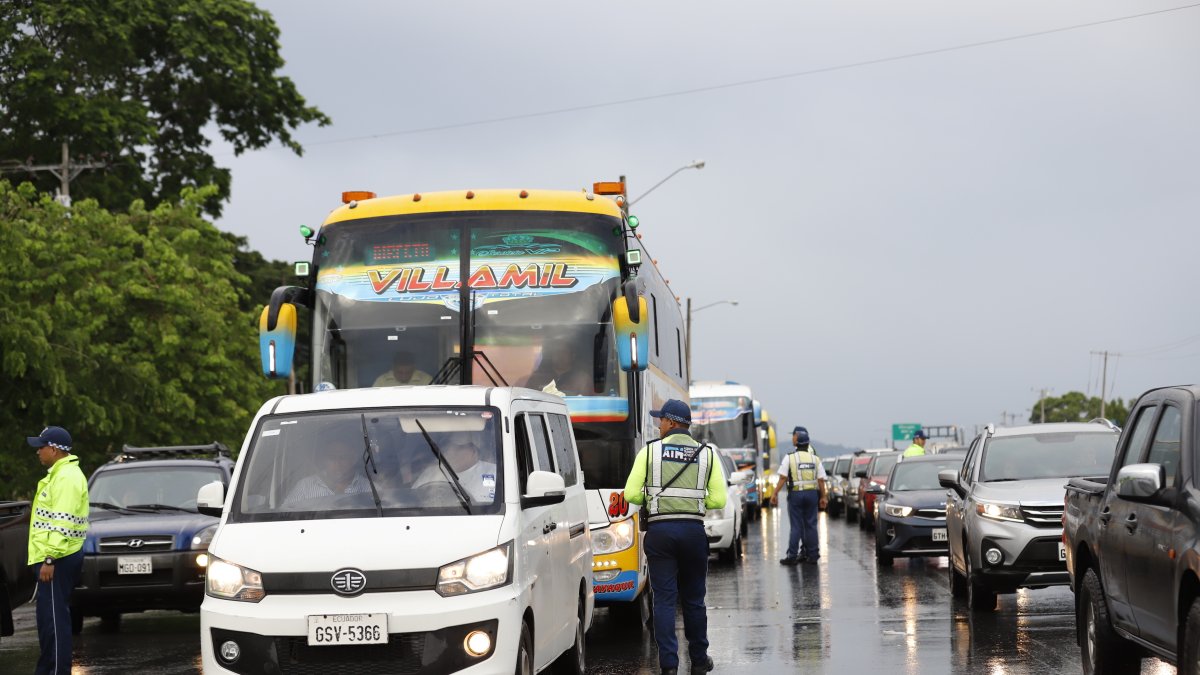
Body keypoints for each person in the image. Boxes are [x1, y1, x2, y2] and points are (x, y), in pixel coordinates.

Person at [624, 399, 725, 675]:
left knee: (665, 600)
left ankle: (669, 665)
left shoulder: (650, 452)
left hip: (661, 534)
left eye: (661, 420)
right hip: (693, 533)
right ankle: (700, 661)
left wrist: (655, 497)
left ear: (670, 422)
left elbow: (631, 494)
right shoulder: (708, 454)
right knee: (694, 600)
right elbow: (719, 500)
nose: (658, 425)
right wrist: (694, 501)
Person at [26, 425, 89, 675]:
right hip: (57, 557)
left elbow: (61, 522)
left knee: (54, 622)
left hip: (58, 559)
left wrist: (49, 557)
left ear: (53, 449)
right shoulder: (60, 475)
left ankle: (54, 672)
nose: (37, 452)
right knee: (49, 620)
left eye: (40, 447)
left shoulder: (66, 478)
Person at [770, 426, 827, 565]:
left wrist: (775, 493)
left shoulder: (789, 458)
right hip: (812, 494)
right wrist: (823, 497)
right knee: (811, 525)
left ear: (797, 442)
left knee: (796, 526)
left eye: (794, 437)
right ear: (807, 443)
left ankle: (792, 556)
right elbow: (821, 480)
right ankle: (813, 555)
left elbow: (783, 478)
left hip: (796, 494)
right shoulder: (815, 459)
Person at [284, 437, 371, 507]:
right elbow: (285, 515)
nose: (337, 463)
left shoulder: (369, 487)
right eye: (332, 458)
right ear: (324, 460)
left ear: (353, 459)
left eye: (343, 457)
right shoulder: (305, 486)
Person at [412, 432, 497, 503]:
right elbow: (413, 499)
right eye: (449, 446)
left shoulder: (493, 472)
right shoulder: (432, 472)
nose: (451, 451)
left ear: (474, 450)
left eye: (459, 447)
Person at [526, 341, 591, 395]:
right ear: (551, 355)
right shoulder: (537, 377)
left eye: (564, 352)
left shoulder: (582, 379)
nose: (560, 355)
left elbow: (588, 404)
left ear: (572, 356)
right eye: (557, 352)